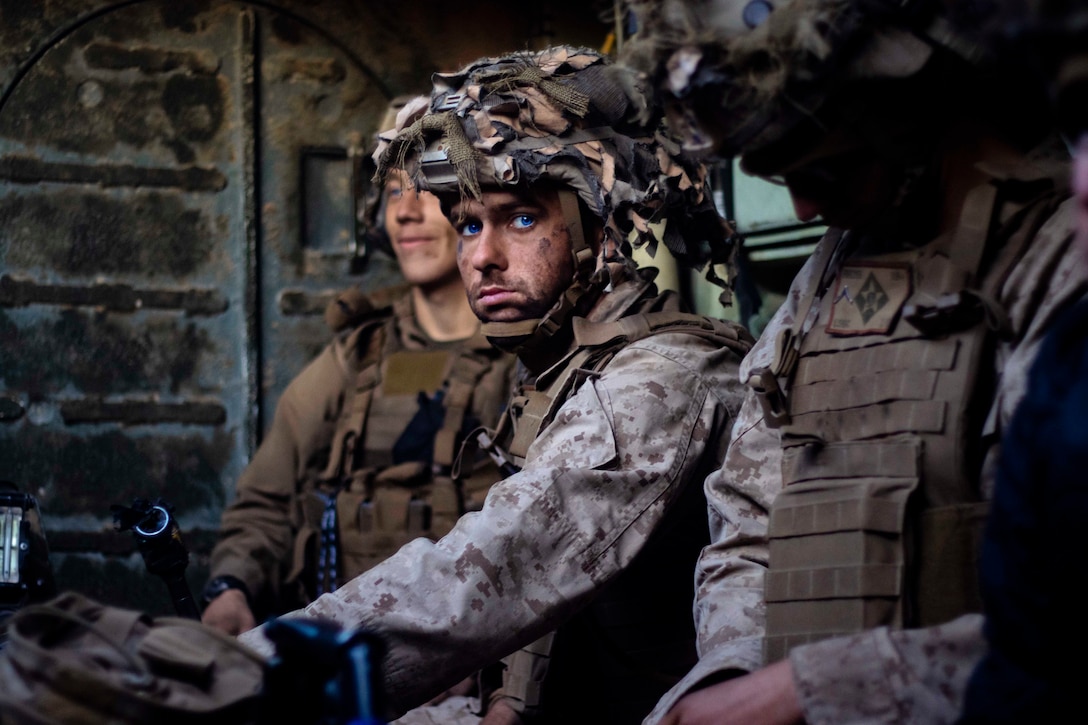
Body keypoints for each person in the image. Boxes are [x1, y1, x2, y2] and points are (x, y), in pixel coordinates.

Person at [239, 45, 761, 724]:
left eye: (520, 219)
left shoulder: (662, 378)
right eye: (467, 226)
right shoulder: (557, 366)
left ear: (601, 231)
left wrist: (227, 675)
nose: (482, 257)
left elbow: (502, 561)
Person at [620, 0, 1088, 723]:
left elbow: (1058, 629)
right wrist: (731, 669)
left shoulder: (1055, 258)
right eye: (780, 177)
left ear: (917, 110)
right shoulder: (838, 259)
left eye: (833, 170)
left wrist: (813, 688)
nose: (806, 209)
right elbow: (749, 512)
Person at [200, 96, 518, 640]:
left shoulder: (526, 356)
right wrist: (233, 585)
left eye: (426, 188)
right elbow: (267, 503)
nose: (404, 212)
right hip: (344, 656)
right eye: (393, 190)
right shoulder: (358, 353)